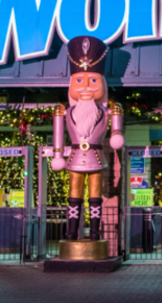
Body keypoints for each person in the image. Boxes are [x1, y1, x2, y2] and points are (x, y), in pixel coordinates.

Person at [49, 36, 124, 244]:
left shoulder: (109, 111)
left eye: (93, 81)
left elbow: (116, 131)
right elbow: (58, 135)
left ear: (102, 83)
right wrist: (57, 154)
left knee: (95, 197)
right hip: (74, 157)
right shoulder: (64, 111)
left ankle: (95, 232)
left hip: (97, 157)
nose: (86, 87)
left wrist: (117, 133)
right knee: (74, 195)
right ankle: (71, 232)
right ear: (72, 83)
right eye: (79, 81)